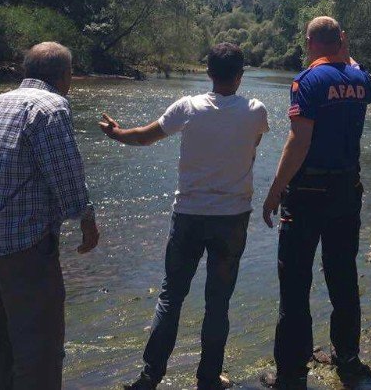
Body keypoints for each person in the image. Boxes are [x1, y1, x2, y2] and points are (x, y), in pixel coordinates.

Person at [100, 43, 270, 390]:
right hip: (231, 217)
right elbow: (251, 150)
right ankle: (208, 379)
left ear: (208, 73)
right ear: (241, 75)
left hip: (189, 215)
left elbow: (145, 138)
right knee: (218, 302)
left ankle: (150, 377)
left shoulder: (188, 107)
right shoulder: (256, 110)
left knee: (171, 296)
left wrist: (116, 133)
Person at [0, 42, 100, 390]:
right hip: (24, 245)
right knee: (38, 349)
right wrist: (85, 218)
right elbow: (66, 172)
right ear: (66, 76)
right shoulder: (52, 106)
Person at [260, 17, 371, 390]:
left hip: (308, 196)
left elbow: (299, 142)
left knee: (296, 283)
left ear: (310, 42)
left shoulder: (306, 81)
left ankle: (293, 372)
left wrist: (274, 190)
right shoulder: (358, 79)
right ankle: (346, 358)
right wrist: (351, 59)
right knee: (343, 276)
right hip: (347, 193)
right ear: (340, 42)